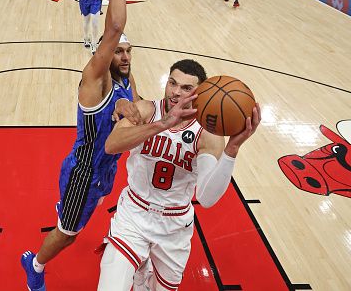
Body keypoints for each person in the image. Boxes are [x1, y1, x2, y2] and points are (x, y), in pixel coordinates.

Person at [21, 0, 142, 291]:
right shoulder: (94, 80)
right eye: (117, 50)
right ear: (104, 51)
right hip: (83, 173)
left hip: (106, 170)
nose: (123, 55)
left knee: (106, 204)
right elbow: (116, 26)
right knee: (68, 234)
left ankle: (109, 231)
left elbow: (136, 106)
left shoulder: (126, 77)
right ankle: (35, 266)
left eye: (128, 50)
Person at [98, 59, 261, 291]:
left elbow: (206, 198)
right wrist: (163, 124)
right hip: (133, 215)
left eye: (186, 88)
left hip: (174, 225)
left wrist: (231, 150)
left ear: (201, 93)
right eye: (172, 83)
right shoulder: (146, 110)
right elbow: (111, 145)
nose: (175, 92)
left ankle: (145, 269)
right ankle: (139, 262)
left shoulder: (207, 134)